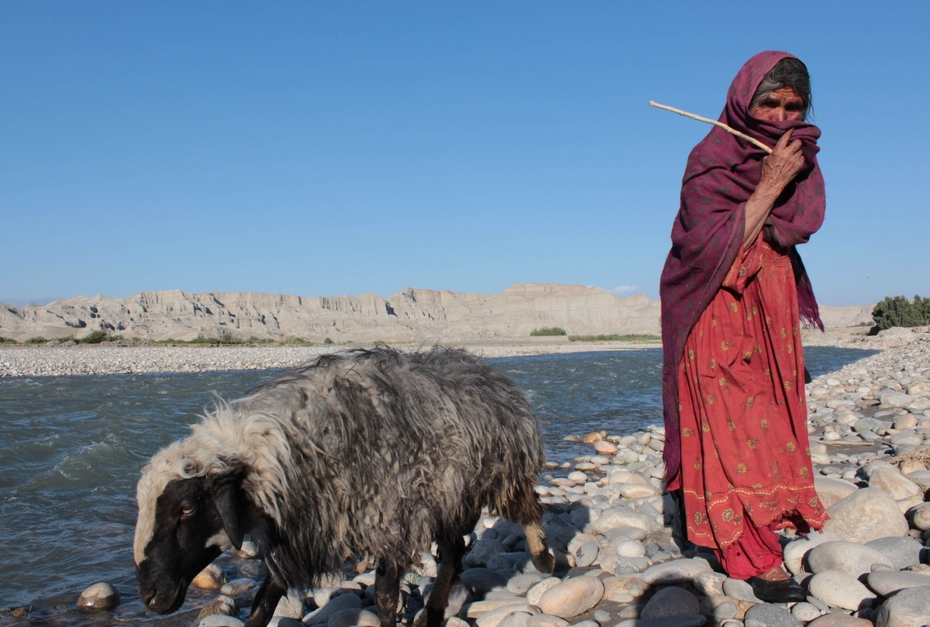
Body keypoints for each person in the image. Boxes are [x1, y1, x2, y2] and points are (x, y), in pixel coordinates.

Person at [659, 51, 827, 603]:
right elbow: (700, 246)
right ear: (743, 101)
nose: (780, 117)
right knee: (730, 423)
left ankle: (751, 518)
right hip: (714, 305)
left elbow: (796, 227)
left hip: (770, 308)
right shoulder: (710, 157)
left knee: (772, 419)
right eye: (769, 103)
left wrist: (785, 175)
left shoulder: (800, 156)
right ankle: (747, 552)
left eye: (792, 107)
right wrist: (770, 184)